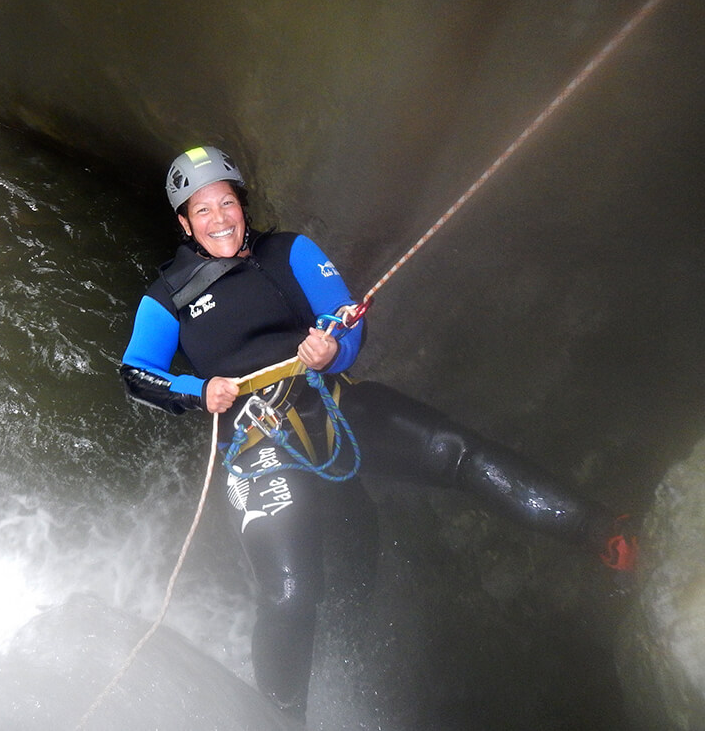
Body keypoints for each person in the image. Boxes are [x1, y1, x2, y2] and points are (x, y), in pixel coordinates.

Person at [119, 146, 637, 721]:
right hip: (258, 447)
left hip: (333, 405)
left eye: (227, 203)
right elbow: (137, 372)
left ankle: (604, 534)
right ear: (185, 224)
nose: (220, 218)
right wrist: (199, 391)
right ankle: (279, 720)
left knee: (455, 453)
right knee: (292, 593)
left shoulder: (290, 251)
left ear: (243, 205)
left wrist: (332, 346)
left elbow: (341, 312)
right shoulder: (168, 296)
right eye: (203, 210)